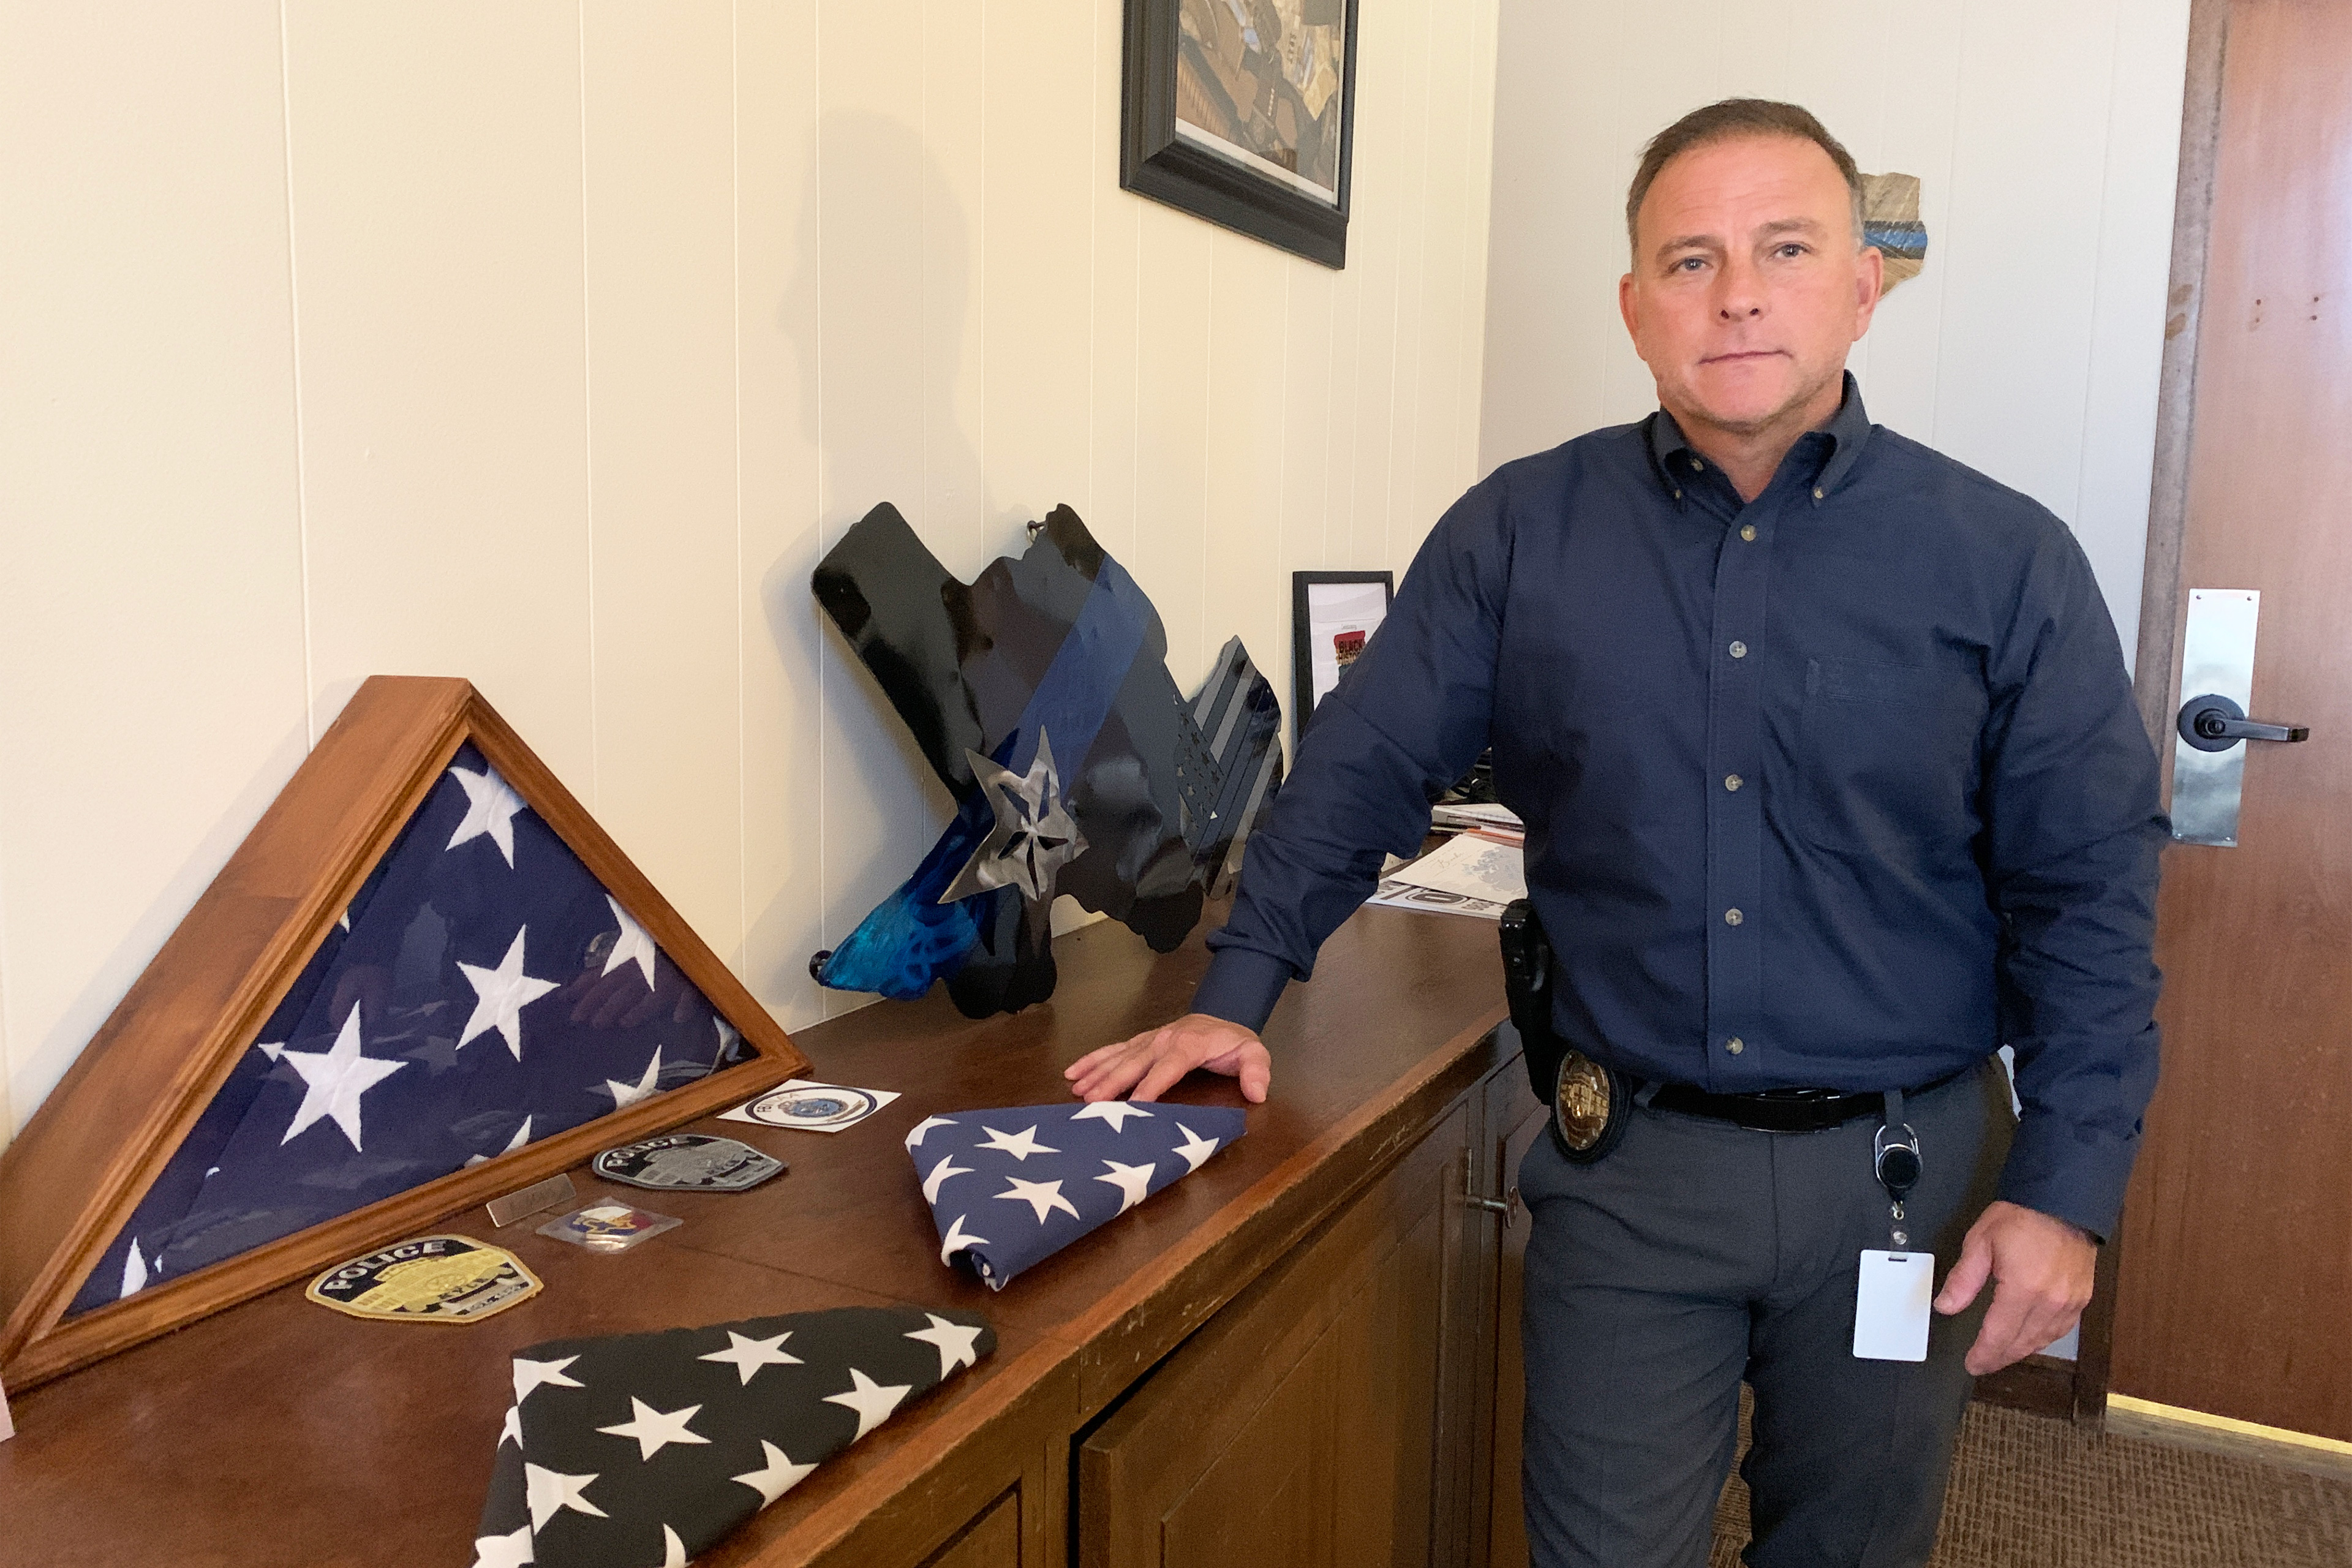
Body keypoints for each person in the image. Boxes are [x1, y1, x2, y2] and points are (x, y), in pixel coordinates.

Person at [1067, 97, 2165, 1568]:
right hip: (1628, 1166)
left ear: (1862, 283)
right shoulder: (1519, 531)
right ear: (1637, 308)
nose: (1740, 292)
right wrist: (1233, 994)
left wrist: (2066, 1190)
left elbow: (2087, 894)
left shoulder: (2007, 559)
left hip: (1899, 1176)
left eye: (1786, 247)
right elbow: (1363, 766)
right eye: (1691, 259)